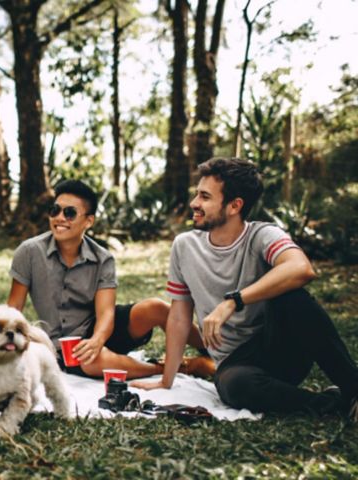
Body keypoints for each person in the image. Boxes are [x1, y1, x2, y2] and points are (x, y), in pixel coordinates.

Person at [131, 157, 358, 420]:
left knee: (293, 297)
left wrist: (233, 301)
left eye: (205, 196)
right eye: (197, 194)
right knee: (235, 386)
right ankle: (332, 404)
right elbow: (180, 316)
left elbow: (301, 268)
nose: (194, 203)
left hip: (280, 347)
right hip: (235, 364)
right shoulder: (184, 246)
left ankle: (353, 389)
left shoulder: (263, 235)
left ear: (234, 205)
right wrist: (166, 380)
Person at [7, 179, 212, 379]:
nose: (59, 218)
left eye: (69, 213)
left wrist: (97, 340)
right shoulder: (29, 252)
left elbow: (106, 313)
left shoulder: (103, 258)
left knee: (156, 307)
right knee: (92, 360)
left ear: (89, 221)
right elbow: (13, 308)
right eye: (55, 210)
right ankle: (180, 368)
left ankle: (213, 349)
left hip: (100, 329)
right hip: (63, 346)